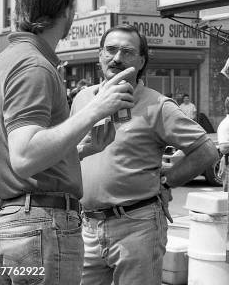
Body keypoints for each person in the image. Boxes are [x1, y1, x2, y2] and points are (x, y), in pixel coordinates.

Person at [0, 0, 135, 284]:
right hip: (40, 224)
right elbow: (23, 156)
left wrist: (77, 150)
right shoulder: (33, 66)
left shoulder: (3, 63)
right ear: (66, 11)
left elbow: (21, 157)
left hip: (18, 223)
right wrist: (96, 108)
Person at [71, 25, 219, 285]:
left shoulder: (157, 105)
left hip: (136, 227)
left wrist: (167, 181)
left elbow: (206, 150)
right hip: (86, 226)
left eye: (127, 52)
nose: (117, 58)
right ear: (99, 55)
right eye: (111, 50)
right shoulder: (83, 98)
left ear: (141, 61)